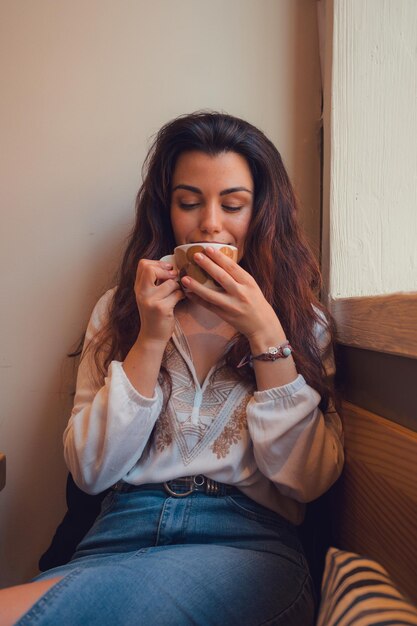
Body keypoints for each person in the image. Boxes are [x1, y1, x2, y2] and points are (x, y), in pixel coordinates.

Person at [0, 112, 343, 625]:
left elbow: (310, 480)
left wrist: (266, 335)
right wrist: (150, 336)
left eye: (233, 204)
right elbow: (91, 471)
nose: (209, 222)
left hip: (246, 546)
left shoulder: (300, 320)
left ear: (262, 214)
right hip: (116, 537)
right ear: (167, 212)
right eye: (189, 202)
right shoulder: (118, 310)